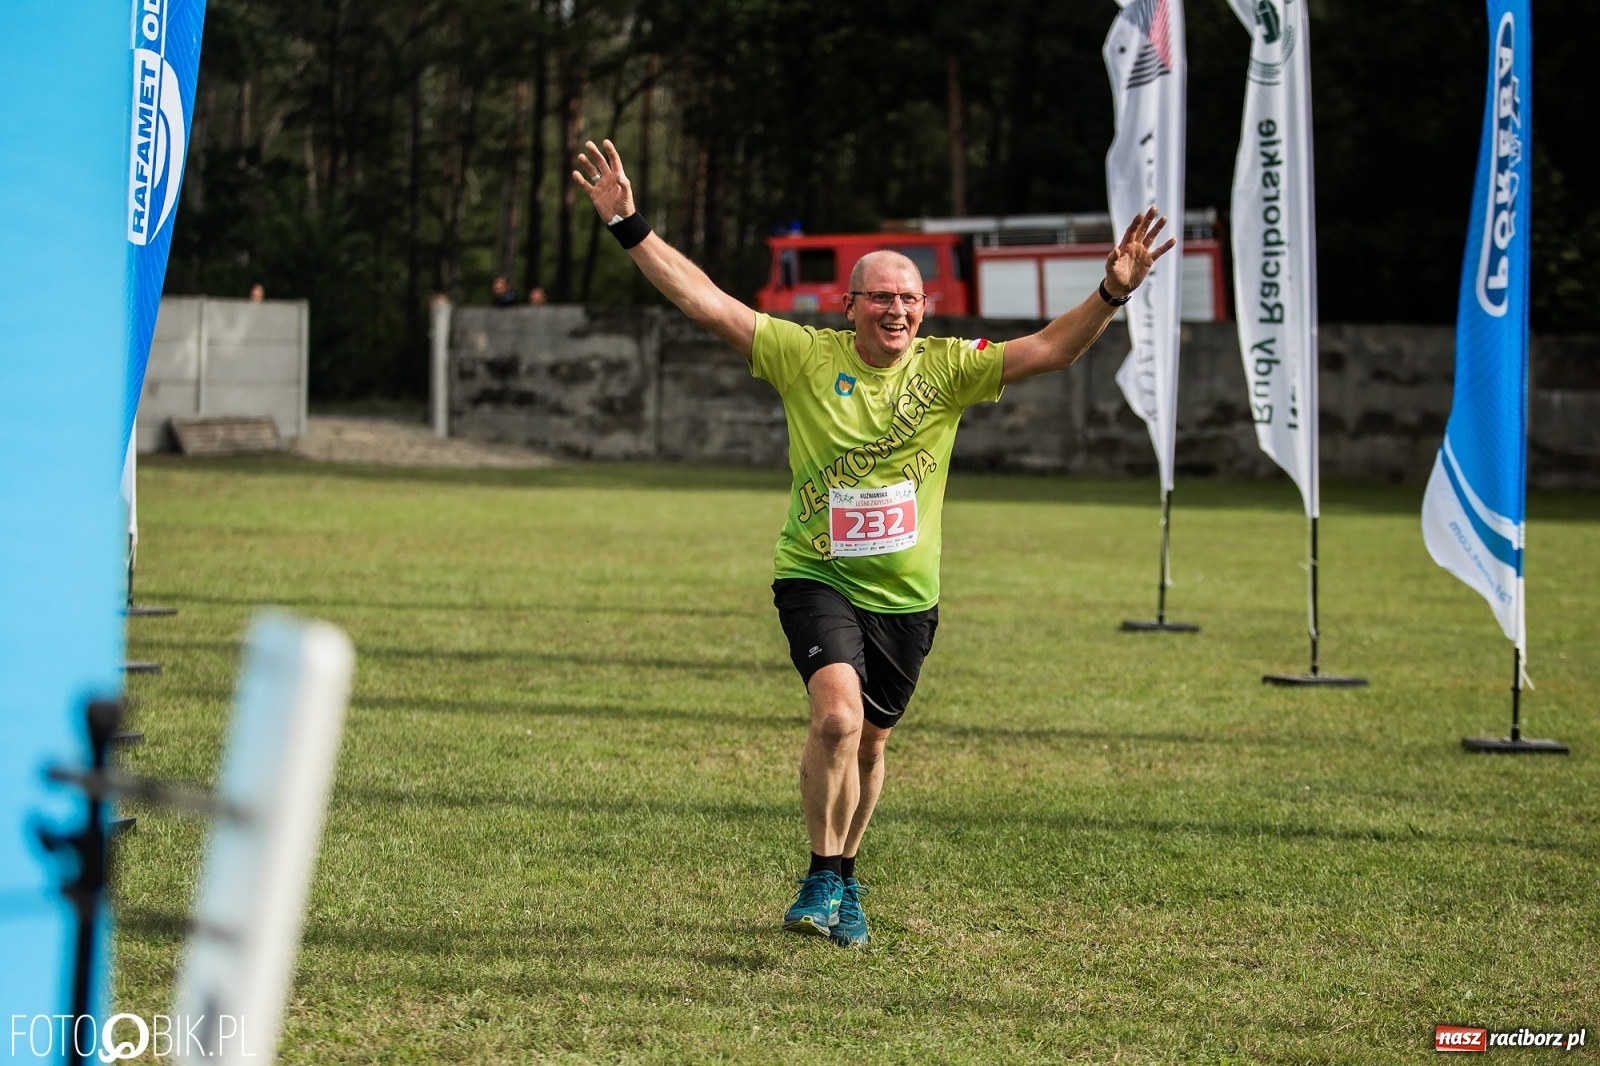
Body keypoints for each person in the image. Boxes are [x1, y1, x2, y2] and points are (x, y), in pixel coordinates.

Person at [572, 138, 1173, 948]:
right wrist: (629, 225)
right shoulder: (802, 356)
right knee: (836, 721)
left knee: (874, 739)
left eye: (911, 299)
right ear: (848, 305)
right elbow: (706, 303)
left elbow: (1053, 349)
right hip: (816, 574)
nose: (898, 311)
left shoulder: (950, 368)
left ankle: (845, 880)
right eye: (882, 297)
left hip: (908, 597)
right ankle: (820, 872)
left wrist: (1111, 290)